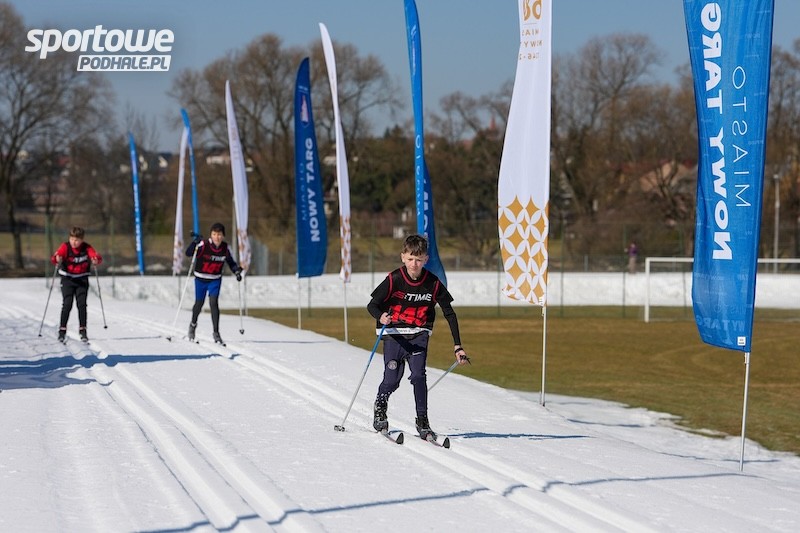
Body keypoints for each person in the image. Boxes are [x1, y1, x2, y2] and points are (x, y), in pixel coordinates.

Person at [367, 234, 469, 441]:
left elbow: (449, 313)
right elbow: (372, 305)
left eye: (419, 259)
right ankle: (380, 407)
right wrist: (381, 316)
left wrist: (458, 346)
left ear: (426, 259)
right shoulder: (394, 279)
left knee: (418, 376)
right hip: (394, 334)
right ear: (403, 257)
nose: (414, 264)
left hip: (419, 334)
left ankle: (422, 420)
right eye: (411, 259)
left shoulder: (433, 283)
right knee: (391, 380)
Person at [185, 222, 243, 344]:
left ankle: (216, 333)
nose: (217, 237)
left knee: (213, 303)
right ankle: (193, 325)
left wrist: (236, 271)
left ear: (223, 236)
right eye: (214, 234)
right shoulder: (204, 244)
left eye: (219, 234)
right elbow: (188, 253)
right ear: (211, 235)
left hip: (215, 279)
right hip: (201, 279)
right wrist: (195, 243)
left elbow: (231, 262)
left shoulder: (225, 248)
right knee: (199, 304)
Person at [51, 226, 102, 342]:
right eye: (72, 239)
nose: (74, 242)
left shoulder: (86, 248)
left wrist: (95, 259)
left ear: (82, 240)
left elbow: (96, 256)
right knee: (67, 304)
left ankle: (83, 330)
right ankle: (62, 330)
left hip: (82, 279)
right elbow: (56, 257)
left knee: (82, 304)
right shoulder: (65, 247)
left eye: (77, 240)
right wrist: (57, 259)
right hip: (67, 279)